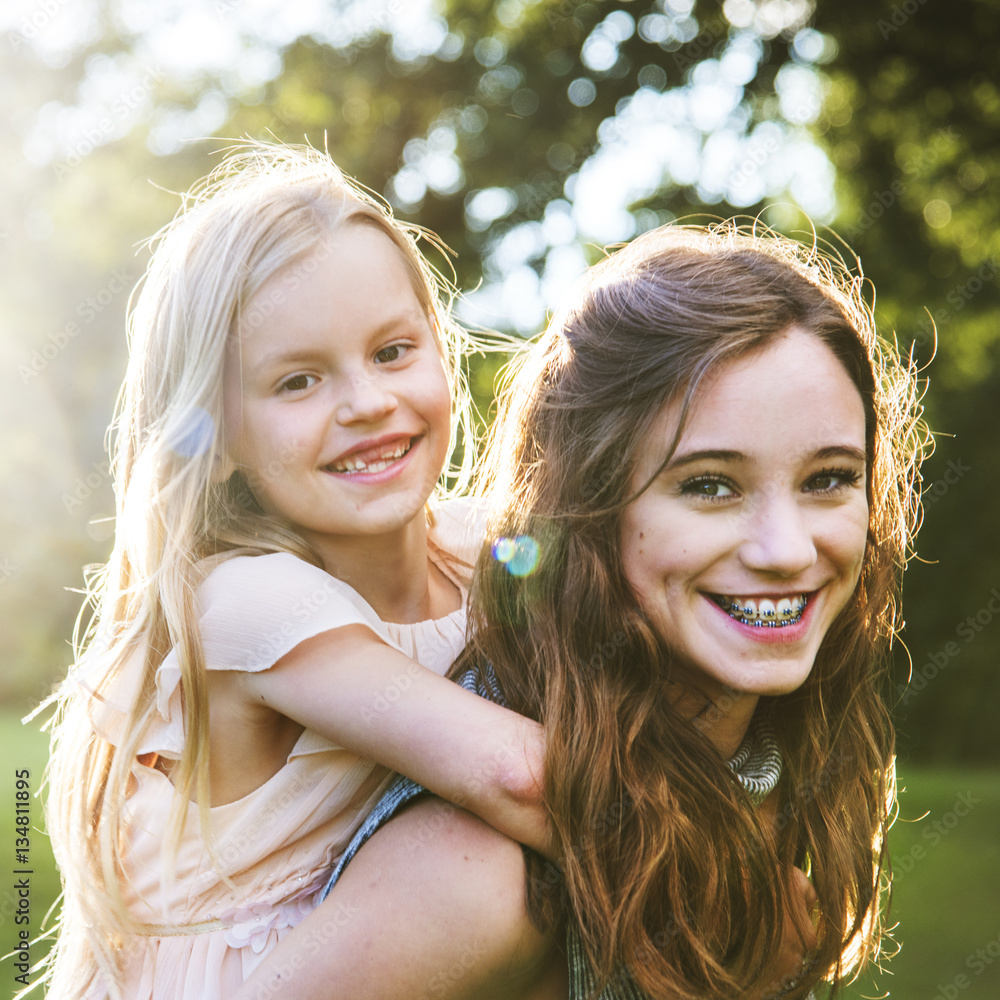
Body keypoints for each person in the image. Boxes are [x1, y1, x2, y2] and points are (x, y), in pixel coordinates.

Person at [236, 221, 927, 999]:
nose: (787, 551)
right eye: (708, 485)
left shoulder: (755, 775)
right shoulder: (476, 881)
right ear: (587, 509)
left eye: (828, 478)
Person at [39, 143, 551, 1000]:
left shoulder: (477, 551)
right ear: (222, 436)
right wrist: (745, 862)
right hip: (225, 982)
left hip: (371, 957)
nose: (365, 403)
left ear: (439, 348)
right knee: (499, 874)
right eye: (299, 380)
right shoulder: (246, 600)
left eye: (392, 352)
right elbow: (520, 776)